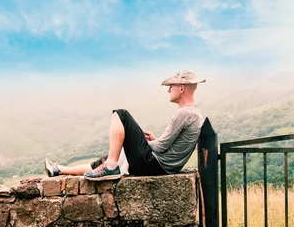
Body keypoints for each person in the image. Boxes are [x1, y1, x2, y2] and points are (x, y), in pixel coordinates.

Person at [44, 70, 205, 181]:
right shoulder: (193, 113)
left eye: (172, 86)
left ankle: (111, 166)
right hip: (159, 166)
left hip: (154, 166)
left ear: (182, 88)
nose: (169, 90)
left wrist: (143, 142)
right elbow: (167, 145)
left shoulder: (185, 113)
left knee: (121, 115)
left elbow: (161, 147)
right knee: (106, 160)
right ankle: (60, 169)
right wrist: (149, 140)